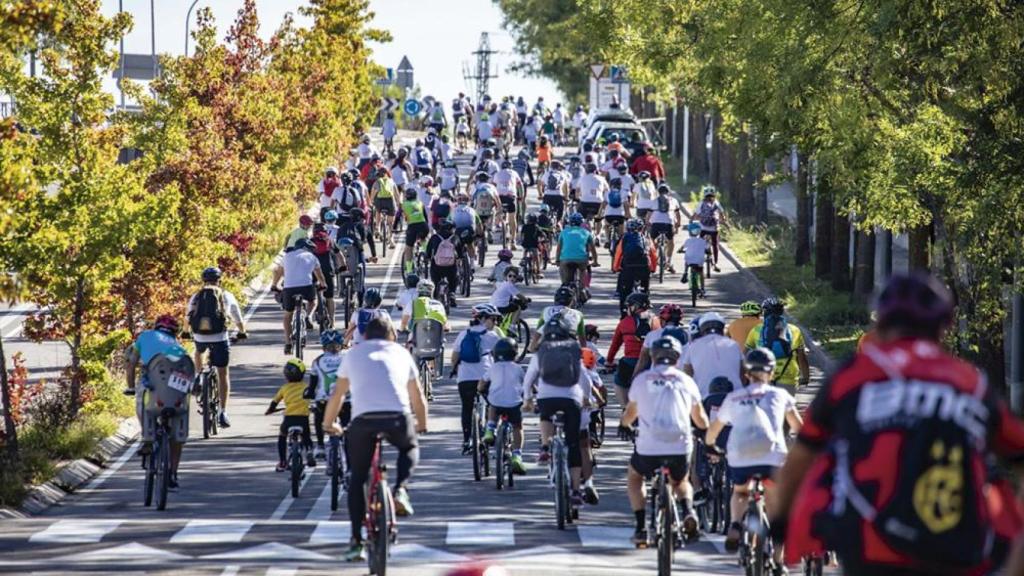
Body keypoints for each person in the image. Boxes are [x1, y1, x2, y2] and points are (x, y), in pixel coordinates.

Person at [771, 273, 1024, 576]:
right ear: (944, 327)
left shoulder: (853, 376)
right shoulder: (970, 383)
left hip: (870, 546)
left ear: (880, 323)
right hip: (955, 547)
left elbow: (801, 457)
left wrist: (779, 523)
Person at [321, 316, 428, 563]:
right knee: (409, 446)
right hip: (397, 417)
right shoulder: (401, 354)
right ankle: (400, 489)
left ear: (366, 335)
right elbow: (418, 398)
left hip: (363, 421)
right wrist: (421, 425)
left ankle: (356, 541)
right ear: (392, 335)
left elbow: (338, 395)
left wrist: (329, 424)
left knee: (358, 477)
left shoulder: (353, 355)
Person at [706, 348, 801, 559]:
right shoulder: (780, 395)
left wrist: (710, 446)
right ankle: (777, 559)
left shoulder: (734, 397)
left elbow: (714, 429)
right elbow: (800, 429)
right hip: (773, 457)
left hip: (741, 457)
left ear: (746, 374)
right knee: (776, 505)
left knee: (740, 492)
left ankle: (735, 525)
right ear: (772, 372)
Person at [621, 336, 708, 545]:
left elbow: (631, 411)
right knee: (681, 481)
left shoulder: (642, 380)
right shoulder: (686, 381)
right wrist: (704, 432)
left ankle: (641, 527)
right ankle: (688, 511)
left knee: (635, 477)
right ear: (677, 358)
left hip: (649, 446)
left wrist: (624, 425)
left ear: (653, 356)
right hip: (679, 443)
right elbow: (700, 418)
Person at [523, 311, 591, 511]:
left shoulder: (541, 350)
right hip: (571, 398)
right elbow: (584, 377)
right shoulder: (574, 348)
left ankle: (545, 447)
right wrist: (586, 397)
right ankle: (577, 491)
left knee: (545, 413)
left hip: (546, 396)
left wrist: (527, 399)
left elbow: (529, 378)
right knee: (574, 445)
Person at [124, 315, 190, 487]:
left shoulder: (144, 337)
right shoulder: (179, 348)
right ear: (174, 333)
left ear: (156, 327)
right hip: (173, 395)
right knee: (177, 432)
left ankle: (147, 436)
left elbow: (130, 363)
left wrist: (130, 386)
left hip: (152, 390)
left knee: (142, 402)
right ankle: (173, 473)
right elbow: (188, 373)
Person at [187, 267, 247, 428]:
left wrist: (186, 333)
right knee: (223, 373)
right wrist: (242, 332)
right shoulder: (226, 295)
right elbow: (237, 317)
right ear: (219, 280)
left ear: (203, 280)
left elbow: (189, 316)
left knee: (198, 351)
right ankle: (223, 412)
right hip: (220, 337)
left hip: (200, 336)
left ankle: (198, 375)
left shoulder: (197, 296)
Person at [451, 304, 502, 453]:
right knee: (493, 404)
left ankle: (467, 441)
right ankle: (489, 432)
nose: (495, 323)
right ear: (484, 319)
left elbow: (454, 357)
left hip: (465, 378)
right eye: (493, 319)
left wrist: (457, 369)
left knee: (466, 408)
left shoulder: (463, 334)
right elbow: (502, 357)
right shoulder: (492, 336)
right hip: (485, 377)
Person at [479, 337, 527, 474]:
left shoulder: (493, 368)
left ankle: (490, 429)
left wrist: (480, 389)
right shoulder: (518, 369)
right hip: (514, 403)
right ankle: (517, 455)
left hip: (497, 402)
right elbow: (527, 384)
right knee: (518, 427)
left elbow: (482, 383)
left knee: (492, 405)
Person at [744, 296, 810, 396]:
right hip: (788, 377)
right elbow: (801, 357)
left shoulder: (756, 330)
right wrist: (805, 377)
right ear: (781, 312)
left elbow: (746, 355)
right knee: (787, 410)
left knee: (762, 409)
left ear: (764, 312)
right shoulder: (794, 330)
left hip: (763, 376)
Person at [271, 239, 327, 354]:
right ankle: (308, 317)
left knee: (287, 315)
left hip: (289, 289)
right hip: (306, 287)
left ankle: (287, 343)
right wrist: (323, 285)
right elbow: (319, 275)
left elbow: (278, 272)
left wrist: (274, 285)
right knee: (313, 301)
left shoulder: (287, 256)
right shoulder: (312, 257)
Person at [606, 291, 660, 411]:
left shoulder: (625, 322)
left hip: (630, 362)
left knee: (619, 383)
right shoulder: (656, 322)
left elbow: (615, 345)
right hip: (651, 363)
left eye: (629, 306)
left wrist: (609, 362)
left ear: (635, 306)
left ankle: (626, 408)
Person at [266, 358, 317, 471]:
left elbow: (275, 402)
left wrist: (270, 410)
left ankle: (283, 461)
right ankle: (309, 451)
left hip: (288, 419)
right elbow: (314, 397)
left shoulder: (284, 388)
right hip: (303, 418)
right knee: (306, 436)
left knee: (282, 436)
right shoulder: (306, 387)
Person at [682, 312, 743, 397]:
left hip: (703, 397)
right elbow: (742, 372)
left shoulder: (694, 346)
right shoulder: (734, 345)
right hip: (735, 396)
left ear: (702, 329)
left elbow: (687, 374)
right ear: (721, 328)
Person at [307, 329, 345, 459]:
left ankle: (320, 446)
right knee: (348, 423)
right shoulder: (347, 359)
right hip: (345, 399)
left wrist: (309, 393)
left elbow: (312, 384)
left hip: (324, 399)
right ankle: (348, 445)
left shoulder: (318, 361)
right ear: (340, 346)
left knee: (319, 418)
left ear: (323, 348)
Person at [612, 219, 657, 316]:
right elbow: (653, 254)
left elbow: (618, 254)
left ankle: (623, 314)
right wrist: (653, 269)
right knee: (645, 287)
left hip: (628, 268)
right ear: (642, 228)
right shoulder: (646, 238)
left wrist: (615, 268)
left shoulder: (625, 238)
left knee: (625, 292)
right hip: (644, 268)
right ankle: (646, 298)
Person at [635, 303, 688, 375]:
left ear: (663, 320)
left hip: (655, 377)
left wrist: (634, 377)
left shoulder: (652, 335)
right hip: (680, 377)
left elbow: (643, 360)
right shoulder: (688, 335)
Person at [529, 285, 586, 352]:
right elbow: (582, 338)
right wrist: (584, 351)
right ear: (572, 301)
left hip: (548, 346)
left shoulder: (546, 310)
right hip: (569, 347)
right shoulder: (578, 314)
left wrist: (531, 348)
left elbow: (538, 333)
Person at [425, 218, 464, 307]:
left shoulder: (434, 237)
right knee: (454, 278)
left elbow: (428, 252)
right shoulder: (455, 238)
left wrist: (427, 258)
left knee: (435, 279)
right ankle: (452, 294)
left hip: (437, 266)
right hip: (450, 266)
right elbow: (460, 254)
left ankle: (435, 294)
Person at [555, 212, 598, 291]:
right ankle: (581, 288)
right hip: (581, 259)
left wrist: (557, 260)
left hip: (566, 259)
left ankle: (564, 285)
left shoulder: (563, 232)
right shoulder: (586, 233)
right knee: (582, 270)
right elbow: (593, 249)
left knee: (563, 269)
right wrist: (595, 261)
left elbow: (559, 249)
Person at [650, 184, 682, 273]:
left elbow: (649, 214)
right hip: (668, 224)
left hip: (656, 224)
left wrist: (647, 223)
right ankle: (668, 261)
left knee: (652, 241)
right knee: (671, 241)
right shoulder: (673, 200)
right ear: (668, 192)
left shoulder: (654, 200)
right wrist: (678, 224)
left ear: (658, 192)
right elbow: (678, 214)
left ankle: (652, 259)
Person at [694, 186, 726, 272]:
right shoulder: (716, 202)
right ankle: (715, 263)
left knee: (700, 244)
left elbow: (696, 214)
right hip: (714, 228)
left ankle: (698, 262)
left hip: (703, 227)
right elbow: (722, 213)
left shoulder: (701, 203)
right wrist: (723, 220)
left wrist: (694, 219)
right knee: (715, 244)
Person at [401, 187, 429, 274]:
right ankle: (426, 253)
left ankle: (409, 270)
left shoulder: (404, 204)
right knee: (423, 238)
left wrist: (394, 227)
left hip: (412, 227)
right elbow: (425, 217)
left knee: (409, 248)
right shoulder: (420, 203)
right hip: (423, 225)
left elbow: (398, 216)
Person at [494, 160, 523, 241]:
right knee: (512, 218)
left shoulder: (497, 174)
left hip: (500, 197)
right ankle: (513, 240)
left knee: (498, 209)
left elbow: (493, 185)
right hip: (511, 197)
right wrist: (521, 197)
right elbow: (520, 186)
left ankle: (498, 222)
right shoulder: (514, 173)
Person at [577, 163, 608, 239]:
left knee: (580, 217)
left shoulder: (582, 178)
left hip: (585, 202)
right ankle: (598, 235)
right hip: (598, 203)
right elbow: (607, 190)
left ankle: (582, 232)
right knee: (599, 219)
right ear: (595, 171)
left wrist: (578, 197)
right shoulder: (601, 178)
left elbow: (577, 190)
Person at [369, 167, 398, 247]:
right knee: (390, 222)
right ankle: (391, 240)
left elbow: (373, 192)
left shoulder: (377, 182)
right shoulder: (391, 181)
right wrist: (398, 203)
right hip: (390, 201)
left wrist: (371, 201)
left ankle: (377, 227)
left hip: (380, 201)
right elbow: (396, 193)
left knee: (378, 211)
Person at [452, 193, 483, 266]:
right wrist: (480, 235)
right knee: (470, 243)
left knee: (455, 246)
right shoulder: (472, 210)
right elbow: (479, 224)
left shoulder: (453, 210)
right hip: (469, 231)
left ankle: (457, 264)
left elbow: (449, 222)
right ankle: (472, 263)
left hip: (457, 232)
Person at [680, 221, 709, 294]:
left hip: (689, 260)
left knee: (687, 260)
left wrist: (680, 250)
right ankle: (702, 288)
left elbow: (682, 248)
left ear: (689, 232)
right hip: (699, 261)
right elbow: (707, 248)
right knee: (701, 273)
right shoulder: (702, 241)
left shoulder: (688, 240)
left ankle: (685, 272)